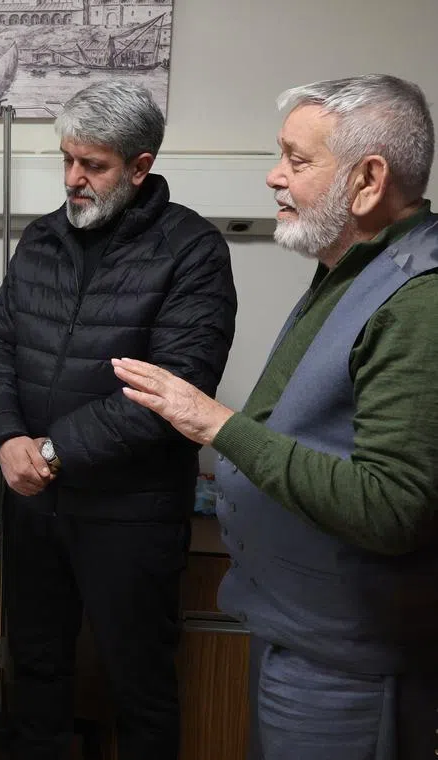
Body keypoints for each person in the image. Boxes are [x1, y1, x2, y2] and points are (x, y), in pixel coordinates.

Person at [113, 74, 438, 760]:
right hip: (301, 635)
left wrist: (214, 425)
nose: (273, 176)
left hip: (348, 667)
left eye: (297, 159)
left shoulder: (418, 302)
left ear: (368, 179)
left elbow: (392, 507)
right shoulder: (353, 267)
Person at [0, 80, 236, 759]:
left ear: (140, 167)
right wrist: (5, 440)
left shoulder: (193, 253)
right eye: (66, 159)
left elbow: (172, 391)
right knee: (33, 675)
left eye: (93, 165)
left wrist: (53, 452)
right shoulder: (41, 240)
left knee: (139, 686)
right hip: (33, 506)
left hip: (131, 513)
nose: (72, 179)